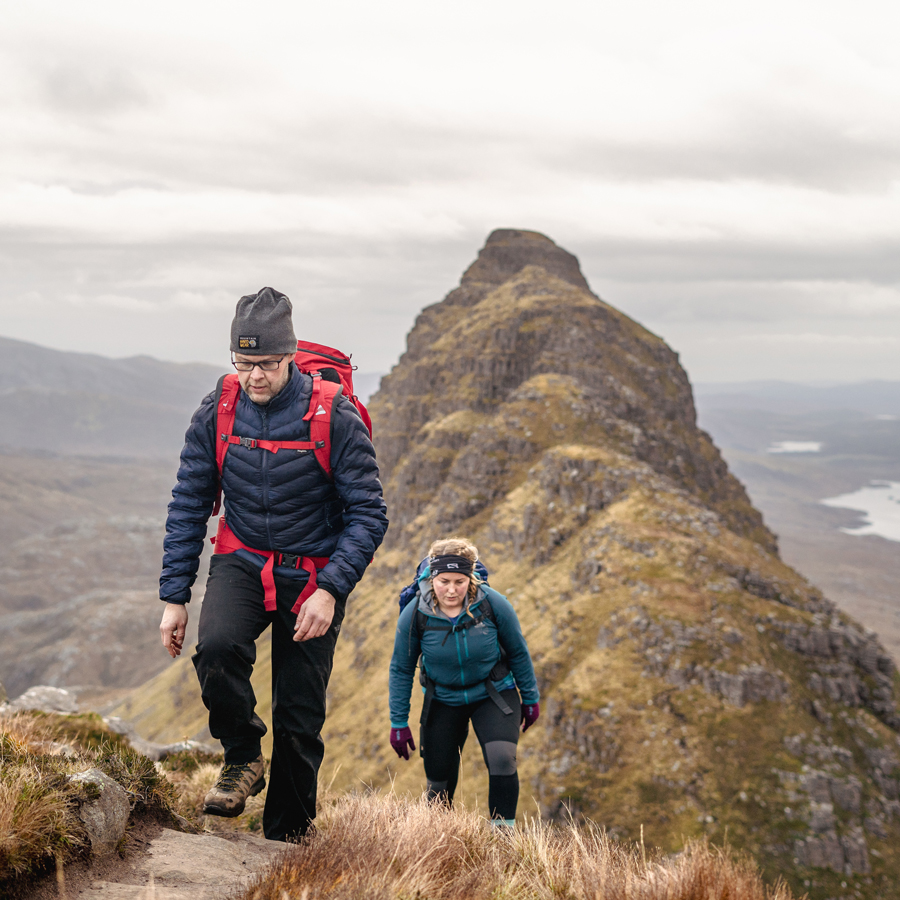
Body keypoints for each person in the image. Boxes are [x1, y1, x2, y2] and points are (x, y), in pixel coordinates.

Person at [158, 286, 388, 841]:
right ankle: (241, 756)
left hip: (314, 574)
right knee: (215, 648)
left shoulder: (335, 418)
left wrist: (331, 589)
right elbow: (191, 499)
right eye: (242, 363)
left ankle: (286, 844)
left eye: (265, 364)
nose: (254, 377)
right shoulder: (220, 407)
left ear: (289, 356)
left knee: (299, 719)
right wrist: (174, 597)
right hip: (242, 559)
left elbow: (369, 515)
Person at [388, 538, 540, 827]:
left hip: (493, 694)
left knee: (502, 759)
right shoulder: (416, 613)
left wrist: (530, 700)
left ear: (470, 578)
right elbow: (400, 668)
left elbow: (519, 652)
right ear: (432, 578)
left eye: (460, 581)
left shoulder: (493, 604)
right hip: (442, 700)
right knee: (438, 781)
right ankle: (439, 839)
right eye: (444, 581)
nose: (451, 590)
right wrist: (398, 723)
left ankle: (503, 838)